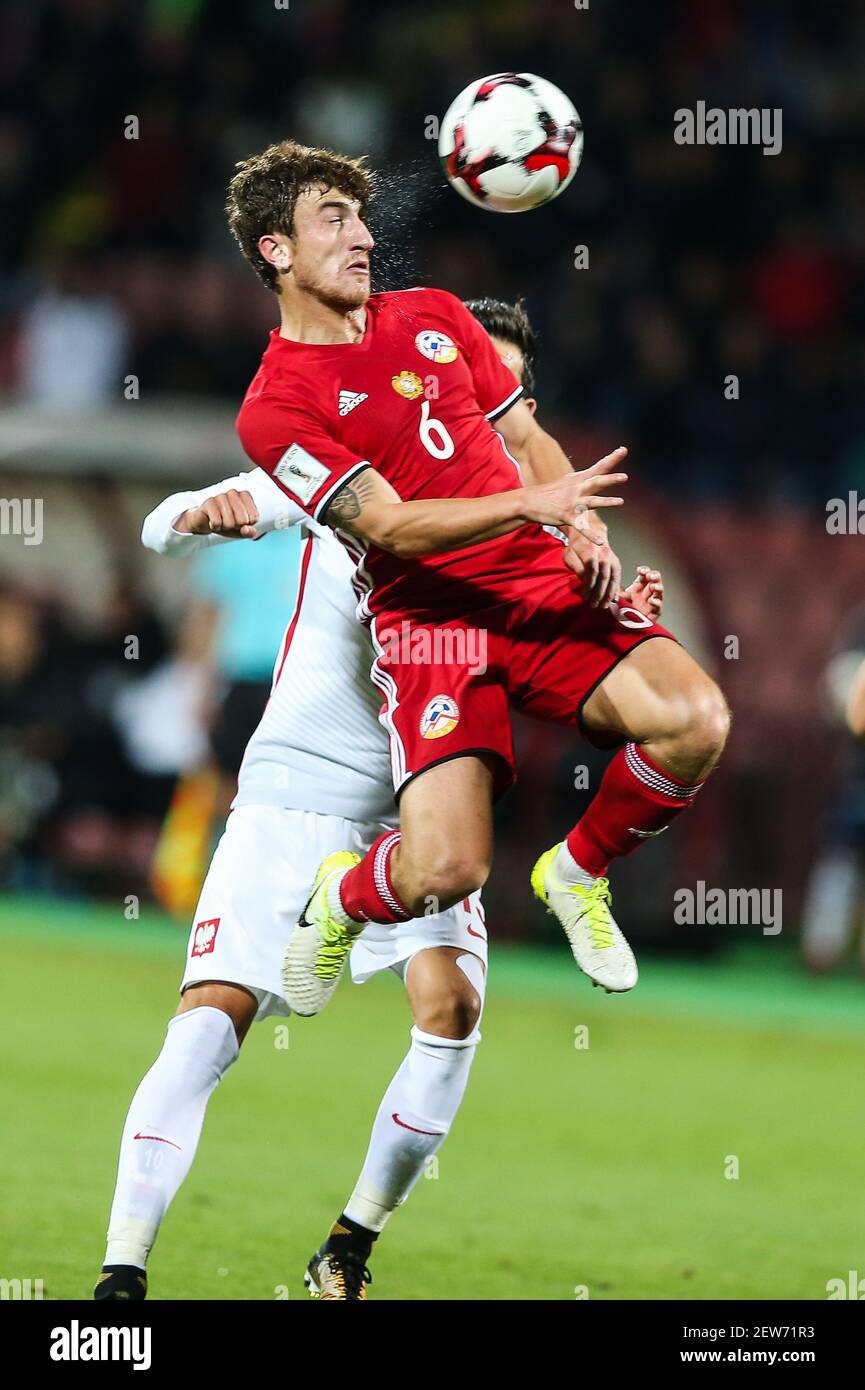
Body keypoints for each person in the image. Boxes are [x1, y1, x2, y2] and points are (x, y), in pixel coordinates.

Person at [94, 296, 663, 1303]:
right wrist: (193, 518)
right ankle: (122, 1274)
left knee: (452, 1007)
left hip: (418, 808)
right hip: (299, 788)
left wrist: (610, 617)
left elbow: (539, 653)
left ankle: (347, 1246)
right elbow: (173, 522)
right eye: (467, 376)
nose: (481, 404)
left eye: (505, 390)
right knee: (211, 1020)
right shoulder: (351, 475)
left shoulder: (524, 523)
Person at [223, 139, 729, 1017]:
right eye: (332, 220)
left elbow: (527, 442)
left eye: (362, 218)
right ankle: (346, 899)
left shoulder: (436, 315)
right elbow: (386, 526)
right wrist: (530, 509)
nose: (362, 237)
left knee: (694, 720)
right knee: (447, 870)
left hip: (536, 584)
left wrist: (577, 524)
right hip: (431, 625)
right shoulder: (274, 409)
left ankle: (576, 872)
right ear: (276, 250)